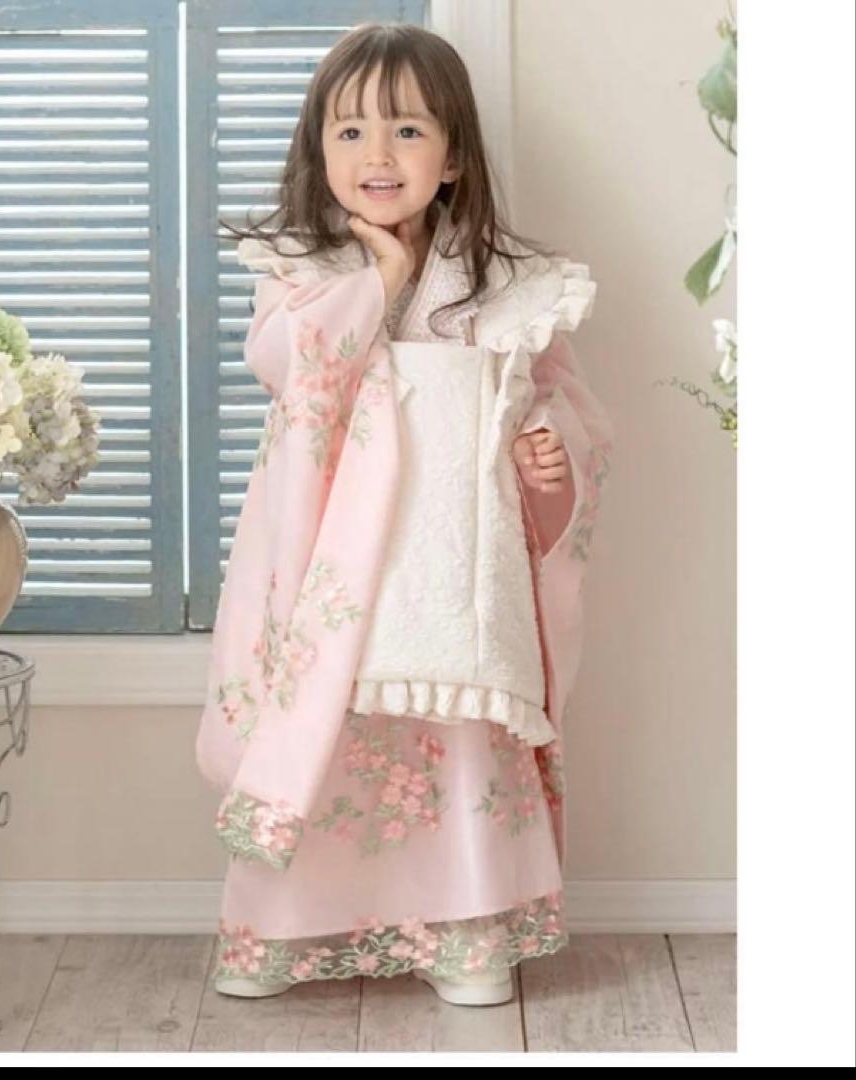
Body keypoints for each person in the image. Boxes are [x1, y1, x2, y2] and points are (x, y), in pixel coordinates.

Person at [194, 22, 615, 1008]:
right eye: (349, 132)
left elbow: (561, 405)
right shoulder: (302, 271)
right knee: (327, 731)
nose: (377, 155)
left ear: (453, 154)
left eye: (407, 130)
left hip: (459, 568)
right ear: (319, 150)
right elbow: (288, 372)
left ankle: (466, 931)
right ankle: (284, 931)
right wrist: (376, 281)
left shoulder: (509, 286)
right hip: (337, 566)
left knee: (458, 739)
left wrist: (546, 447)